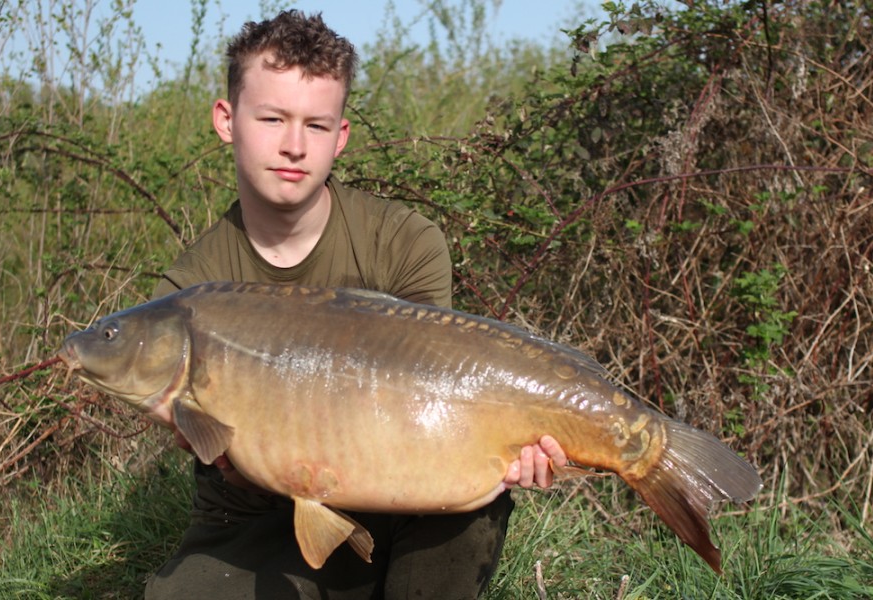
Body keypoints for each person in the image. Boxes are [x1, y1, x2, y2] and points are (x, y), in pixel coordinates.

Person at [145, 10, 565, 599]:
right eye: (271, 118)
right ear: (227, 120)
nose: (294, 145)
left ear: (341, 136)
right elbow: (223, 454)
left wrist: (517, 446)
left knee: (472, 509)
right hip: (257, 519)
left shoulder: (405, 241)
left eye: (316, 126)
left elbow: (440, 396)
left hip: (405, 501)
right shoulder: (190, 291)